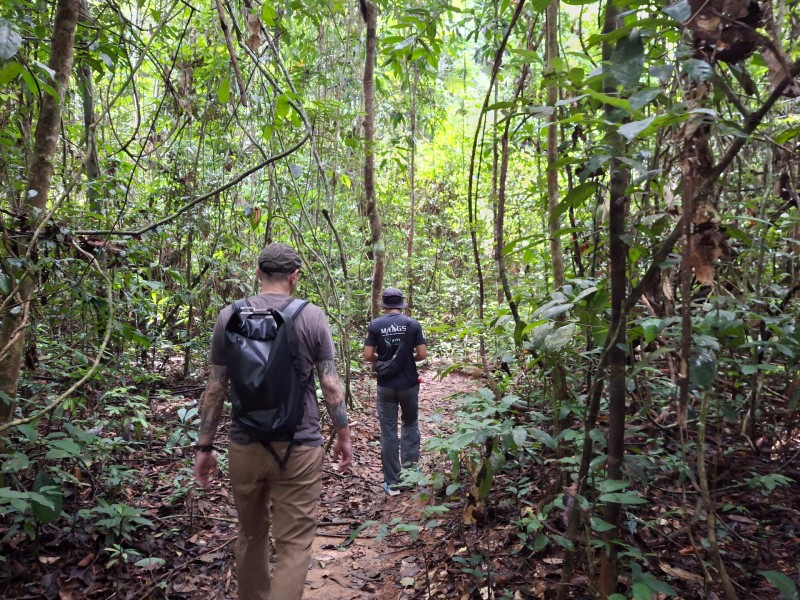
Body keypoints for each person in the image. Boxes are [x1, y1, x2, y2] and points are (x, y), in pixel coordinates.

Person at [194, 242, 353, 600]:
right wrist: (343, 434)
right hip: (300, 446)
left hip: (244, 444)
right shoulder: (312, 316)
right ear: (295, 276)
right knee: (293, 544)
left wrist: (204, 447)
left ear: (257, 273)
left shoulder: (228, 315)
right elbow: (330, 384)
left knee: (251, 535)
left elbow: (215, 388)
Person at [363, 287, 427, 495]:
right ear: (401, 304)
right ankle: (410, 475)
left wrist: (384, 360)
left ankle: (392, 483)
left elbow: (368, 355)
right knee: (410, 423)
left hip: (386, 385)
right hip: (409, 383)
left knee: (389, 431)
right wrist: (407, 359)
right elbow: (422, 354)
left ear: (384, 304)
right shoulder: (412, 324)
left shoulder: (375, 325)